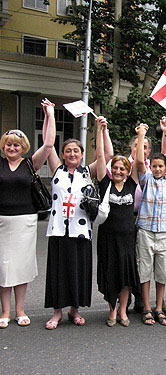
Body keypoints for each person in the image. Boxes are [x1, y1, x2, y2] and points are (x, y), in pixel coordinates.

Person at [44, 116, 112, 329]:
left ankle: (75, 309)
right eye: (68, 151)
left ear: (82, 155)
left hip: (80, 231)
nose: (72, 154)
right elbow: (48, 143)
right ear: (63, 154)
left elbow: (107, 155)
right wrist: (49, 116)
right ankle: (57, 312)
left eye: (76, 151)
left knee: (77, 271)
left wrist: (103, 130)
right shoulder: (57, 169)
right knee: (58, 271)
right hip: (58, 230)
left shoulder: (86, 172)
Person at [0, 98, 56, 329]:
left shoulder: (30, 164)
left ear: (23, 147)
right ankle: (5, 311)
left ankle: (20, 310)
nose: (12, 148)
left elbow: (50, 144)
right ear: (3, 146)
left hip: (25, 222)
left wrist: (49, 115)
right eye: (8, 145)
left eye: (16, 145)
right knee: (4, 267)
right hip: (1, 221)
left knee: (20, 266)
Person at [95, 119, 141, 327]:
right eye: (116, 168)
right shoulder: (104, 183)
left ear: (127, 171)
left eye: (123, 168)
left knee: (126, 277)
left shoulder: (132, 184)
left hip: (128, 239)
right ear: (110, 169)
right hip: (108, 238)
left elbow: (139, 161)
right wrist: (100, 130)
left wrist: (140, 135)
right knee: (111, 275)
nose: (119, 171)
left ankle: (123, 311)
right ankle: (112, 311)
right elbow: (100, 155)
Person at [135, 120, 166, 326]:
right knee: (144, 270)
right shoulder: (146, 180)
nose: (158, 169)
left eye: (161, 166)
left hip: (164, 233)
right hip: (145, 231)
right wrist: (142, 134)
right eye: (154, 166)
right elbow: (138, 163)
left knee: (162, 272)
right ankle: (146, 307)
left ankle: (159, 307)